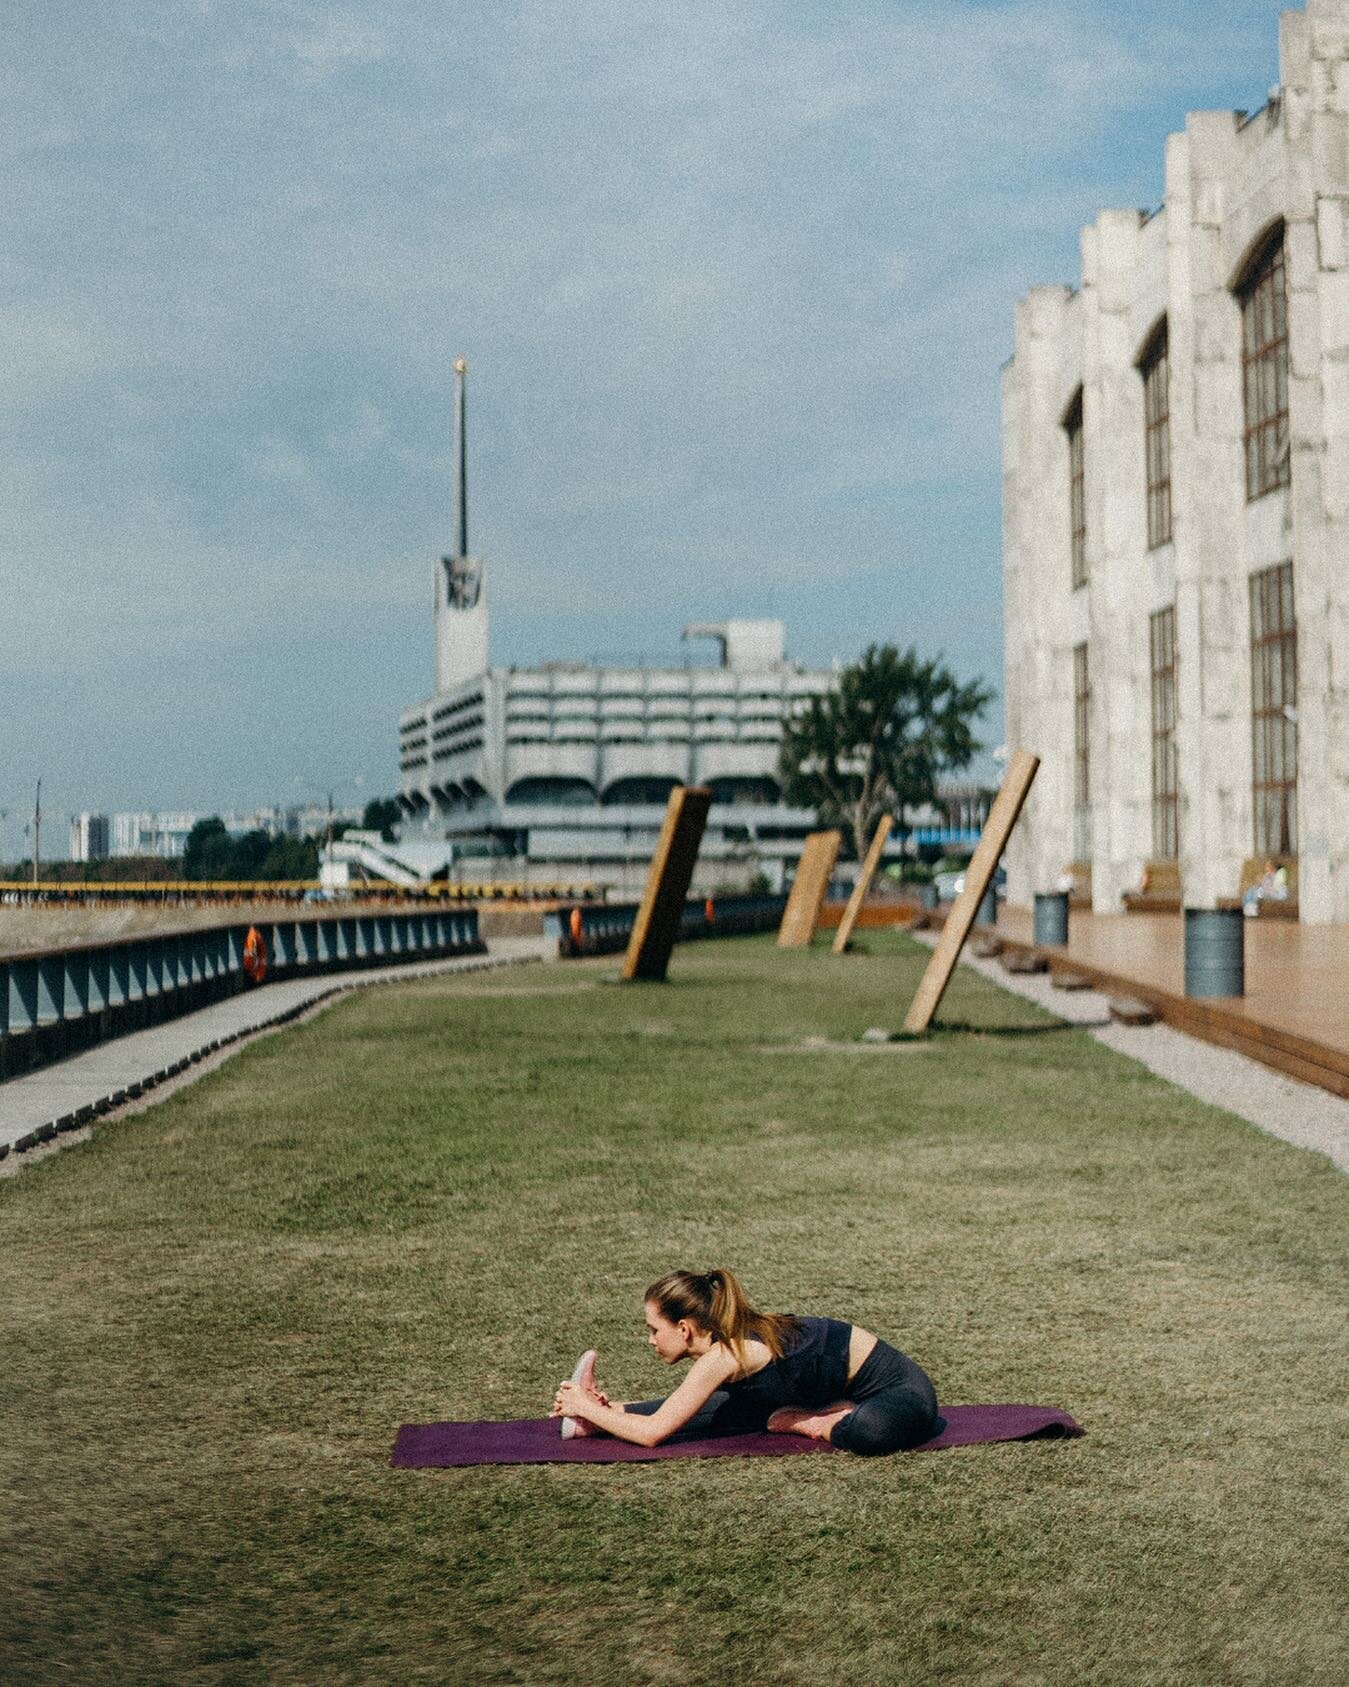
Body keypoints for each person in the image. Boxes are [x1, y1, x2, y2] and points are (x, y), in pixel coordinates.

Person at [549, 1267, 941, 1456]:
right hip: (825, 1389)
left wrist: (582, 1404)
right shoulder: (720, 1345)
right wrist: (599, 1414)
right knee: (726, 1410)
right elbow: (683, 1407)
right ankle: (590, 1425)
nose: (650, 1339)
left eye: (654, 1329)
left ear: (684, 1329)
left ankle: (816, 1419)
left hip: (898, 1393)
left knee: (872, 1432)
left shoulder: (725, 1354)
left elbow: (654, 1433)